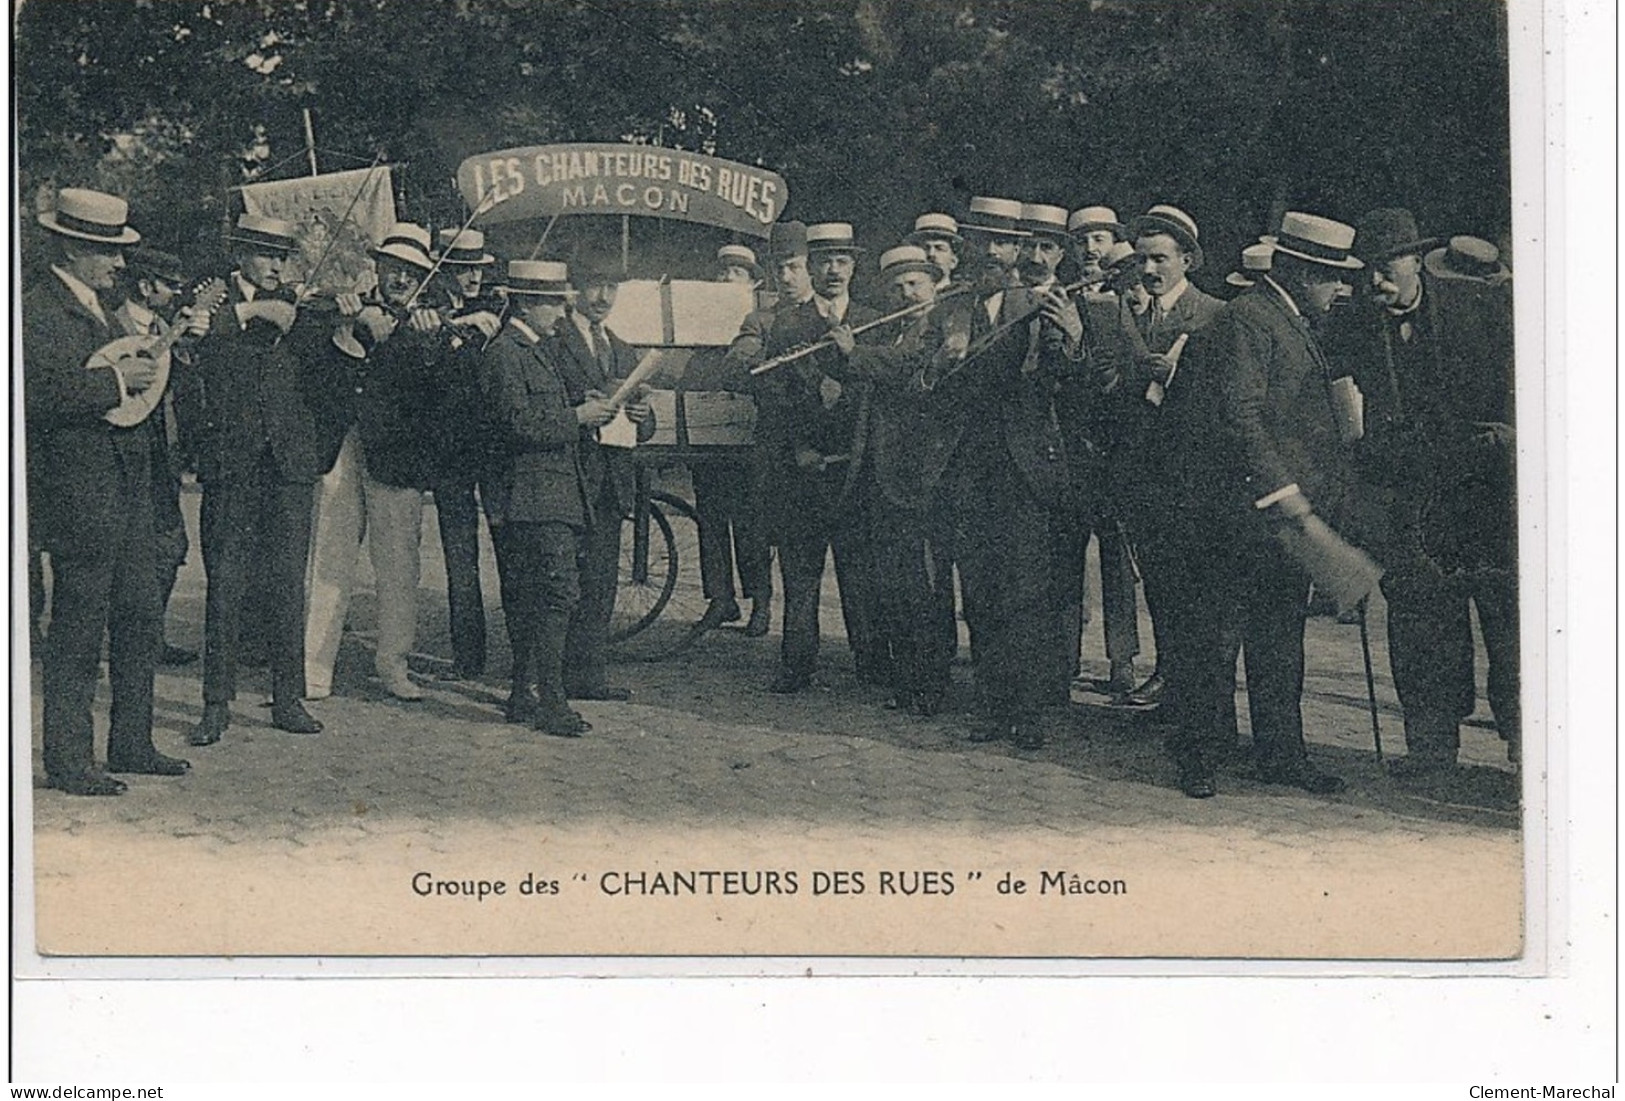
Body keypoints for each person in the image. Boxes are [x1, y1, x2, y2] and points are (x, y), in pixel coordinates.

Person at [1162, 211, 1363, 798]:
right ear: (1299, 271)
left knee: (1278, 640)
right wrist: (1284, 492)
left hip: (1272, 520)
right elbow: (1239, 417)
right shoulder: (1248, 322)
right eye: (1330, 276)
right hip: (1233, 515)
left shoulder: (1288, 320)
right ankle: (1199, 757)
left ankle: (1282, 755)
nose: (1338, 288)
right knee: (1215, 641)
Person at [24, 187, 201, 793]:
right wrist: (112, 382)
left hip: (130, 492)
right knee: (76, 629)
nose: (120, 264)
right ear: (72, 249)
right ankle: (70, 761)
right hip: (79, 495)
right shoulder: (33, 311)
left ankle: (131, 742)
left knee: (138, 617)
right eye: (108, 253)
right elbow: (30, 398)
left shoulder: (108, 309)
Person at [1332, 213, 1519, 777]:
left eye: (1386, 269)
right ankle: (1432, 748)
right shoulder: (1355, 327)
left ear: (1415, 260)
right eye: (1366, 273)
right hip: (1408, 504)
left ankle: (1526, 746)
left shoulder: (1478, 309)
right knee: (1419, 626)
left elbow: (1526, 381)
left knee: (1509, 626)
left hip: (1483, 499)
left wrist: (1509, 434)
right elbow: (1345, 415)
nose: (1375, 284)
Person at [927, 196, 1086, 749]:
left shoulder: (1043, 303)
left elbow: (1065, 382)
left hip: (1024, 473)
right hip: (968, 468)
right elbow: (926, 385)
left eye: (1005, 241)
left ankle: (1029, 712)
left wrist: (1071, 335)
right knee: (981, 592)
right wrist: (941, 364)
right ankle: (993, 707)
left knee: (1025, 594)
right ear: (969, 246)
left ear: (1020, 249)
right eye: (985, 240)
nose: (994, 251)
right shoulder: (952, 307)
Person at [187, 213, 327, 747]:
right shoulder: (215, 300)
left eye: (282, 257)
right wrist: (252, 311)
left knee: (288, 584)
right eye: (266, 255)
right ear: (241, 254)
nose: (276, 266)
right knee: (225, 584)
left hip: (289, 465)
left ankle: (287, 697)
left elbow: (325, 349)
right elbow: (198, 338)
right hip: (232, 464)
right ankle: (214, 704)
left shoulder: (301, 305)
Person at [304, 222, 446, 704]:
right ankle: (313, 669)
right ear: (378, 267)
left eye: (411, 271)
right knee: (330, 558)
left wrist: (428, 340)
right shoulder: (346, 303)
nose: (401, 279)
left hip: (398, 456)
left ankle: (393, 664)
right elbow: (313, 316)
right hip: (344, 447)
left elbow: (440, 393)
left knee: (398, 565)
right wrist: (353, 319)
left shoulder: (433, 320)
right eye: (393, 268)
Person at [750, 222, 887, 694]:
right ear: (811, 266)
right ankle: (797, 664)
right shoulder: (787, 323)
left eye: (842, 261)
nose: (833, 270)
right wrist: (798, 446)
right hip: (803, 469)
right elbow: (772, 394)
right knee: (801, 572)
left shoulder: (874, 320)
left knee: (858, 572)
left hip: (855, 469)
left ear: (854, 266)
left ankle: (870, 662)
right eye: (824, 260)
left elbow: (880, 391)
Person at [832, 244, 959, 714]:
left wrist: (854, 353)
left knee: (925, 585)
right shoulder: (899, 328)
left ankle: (931, 683)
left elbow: (909, 369)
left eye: (915, 284)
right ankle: (909, 680)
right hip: (886, 477)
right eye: (899, 287)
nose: (907, 293)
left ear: (932, 284)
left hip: (922, 478)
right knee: (896, 584)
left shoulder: (941, 326)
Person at [480, 260, 603, 736]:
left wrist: (582, 406)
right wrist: (578, 417)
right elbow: (517, 425)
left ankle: (521, 693)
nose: (560, 312)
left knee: (535, 595)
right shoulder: (506, 354)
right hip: (531, 497)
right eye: (554, 303)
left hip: (548, 494)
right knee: (556, 594)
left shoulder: (535, 349)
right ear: (528, 303)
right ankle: (551, 701)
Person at [1116, 203, 1226, 711]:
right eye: (1141, 260)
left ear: (1188, 260)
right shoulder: (1132, 315)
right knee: (1158, 584)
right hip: (1143, 476)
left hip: (1191, 481)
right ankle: (1169, 674)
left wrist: (1174, 379)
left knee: (1194, 594)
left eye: (1159, 258)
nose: (1148, 270)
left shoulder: (1213, 315)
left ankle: (1191, 694)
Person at [549, 259, 656, 701]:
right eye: (596, 285)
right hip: (569, 475)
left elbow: (643, 428)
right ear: (574, 290)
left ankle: (588, 674)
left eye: (612, 287)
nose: (604, 297)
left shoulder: (622, 348)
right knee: (562, 582)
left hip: (610, 480)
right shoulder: (555, 341)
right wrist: (581, 406)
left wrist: (642, 415)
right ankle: (551, 676)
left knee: (600, 582)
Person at [113, 246, 200, 666]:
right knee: (123, 551)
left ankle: (149, 636)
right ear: (146, 286)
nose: (177, 293)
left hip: (161, 456)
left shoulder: (167, 326)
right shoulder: (111, 324)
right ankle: (120, 641)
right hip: (120, 455)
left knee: (170, 544)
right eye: (170, 286)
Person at [684, 244, 775, 636]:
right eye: (721, 273)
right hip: (709, 439)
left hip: (748, 441)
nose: (725, 279)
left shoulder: (766, 321)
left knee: (751, 523)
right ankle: (721, 598)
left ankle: (761, 601)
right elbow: (690, 378)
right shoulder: (701, 331)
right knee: (710, 519)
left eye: (736, 273)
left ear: (753, 282)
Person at [426, 227, 502, 681]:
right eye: (462, 268)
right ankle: (468, 654)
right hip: (449, 451)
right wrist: (456, 324)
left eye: (477, 268)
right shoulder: (430, 312)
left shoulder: (495, 307)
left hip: (490, 448)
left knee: (506, 547)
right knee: (460, 557)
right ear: (445, 271)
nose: (472, 277)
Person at [1067, 205, 1128, 286]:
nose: (1090, 248)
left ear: (1115, 241)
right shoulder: (1062, 291)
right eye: (1081, 241)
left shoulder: (1131, 290)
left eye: (1098, 240)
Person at [904, 213, 963, 292]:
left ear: (953, 261)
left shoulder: (964, 298)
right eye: (925, 248)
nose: (931, 254)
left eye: (940, 248)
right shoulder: (905, 298)